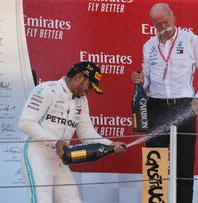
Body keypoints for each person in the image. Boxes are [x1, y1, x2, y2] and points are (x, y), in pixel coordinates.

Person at [131, 3, 198, 203]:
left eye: (165, 22)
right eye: (157, 24)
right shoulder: (148, 45)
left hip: (183, 107)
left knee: (184, 167)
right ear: (152, 25)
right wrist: (140, 81)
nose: (163, 27)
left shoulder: (191, 40)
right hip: (156, 107)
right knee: (155, 166)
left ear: (173, 17)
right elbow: (148, 81)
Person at [19, 61, 127, 203]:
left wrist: (110, 145)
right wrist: (55, 142)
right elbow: (25, 122)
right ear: (79, 77)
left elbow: (87, 132)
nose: (88, 92)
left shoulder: (81, 100)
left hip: (61, 160)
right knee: (41, 200)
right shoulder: (47, 90)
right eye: (89, 86)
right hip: (37, 155)